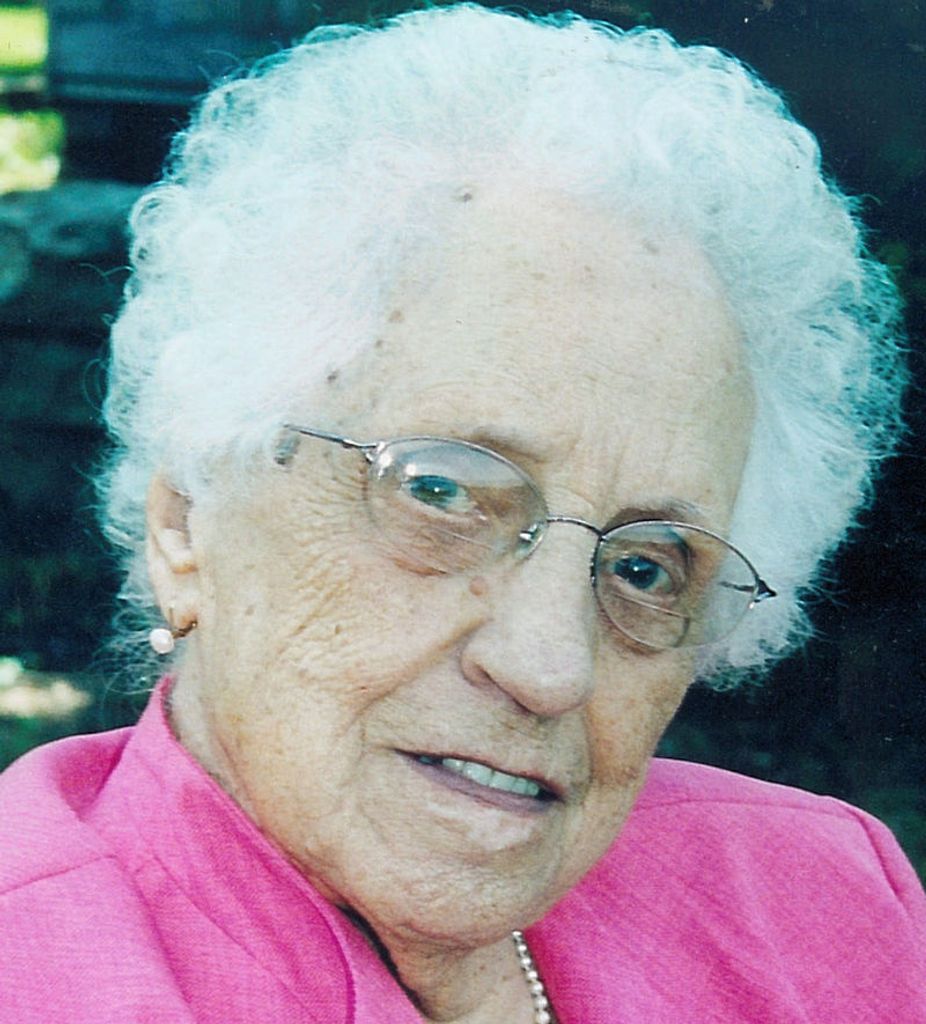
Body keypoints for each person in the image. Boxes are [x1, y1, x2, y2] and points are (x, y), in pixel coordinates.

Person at [1, 5, 923, 1021]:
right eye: (439, 491)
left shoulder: (821, 912)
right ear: (188, 523)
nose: (549, 667)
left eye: (644, 567)